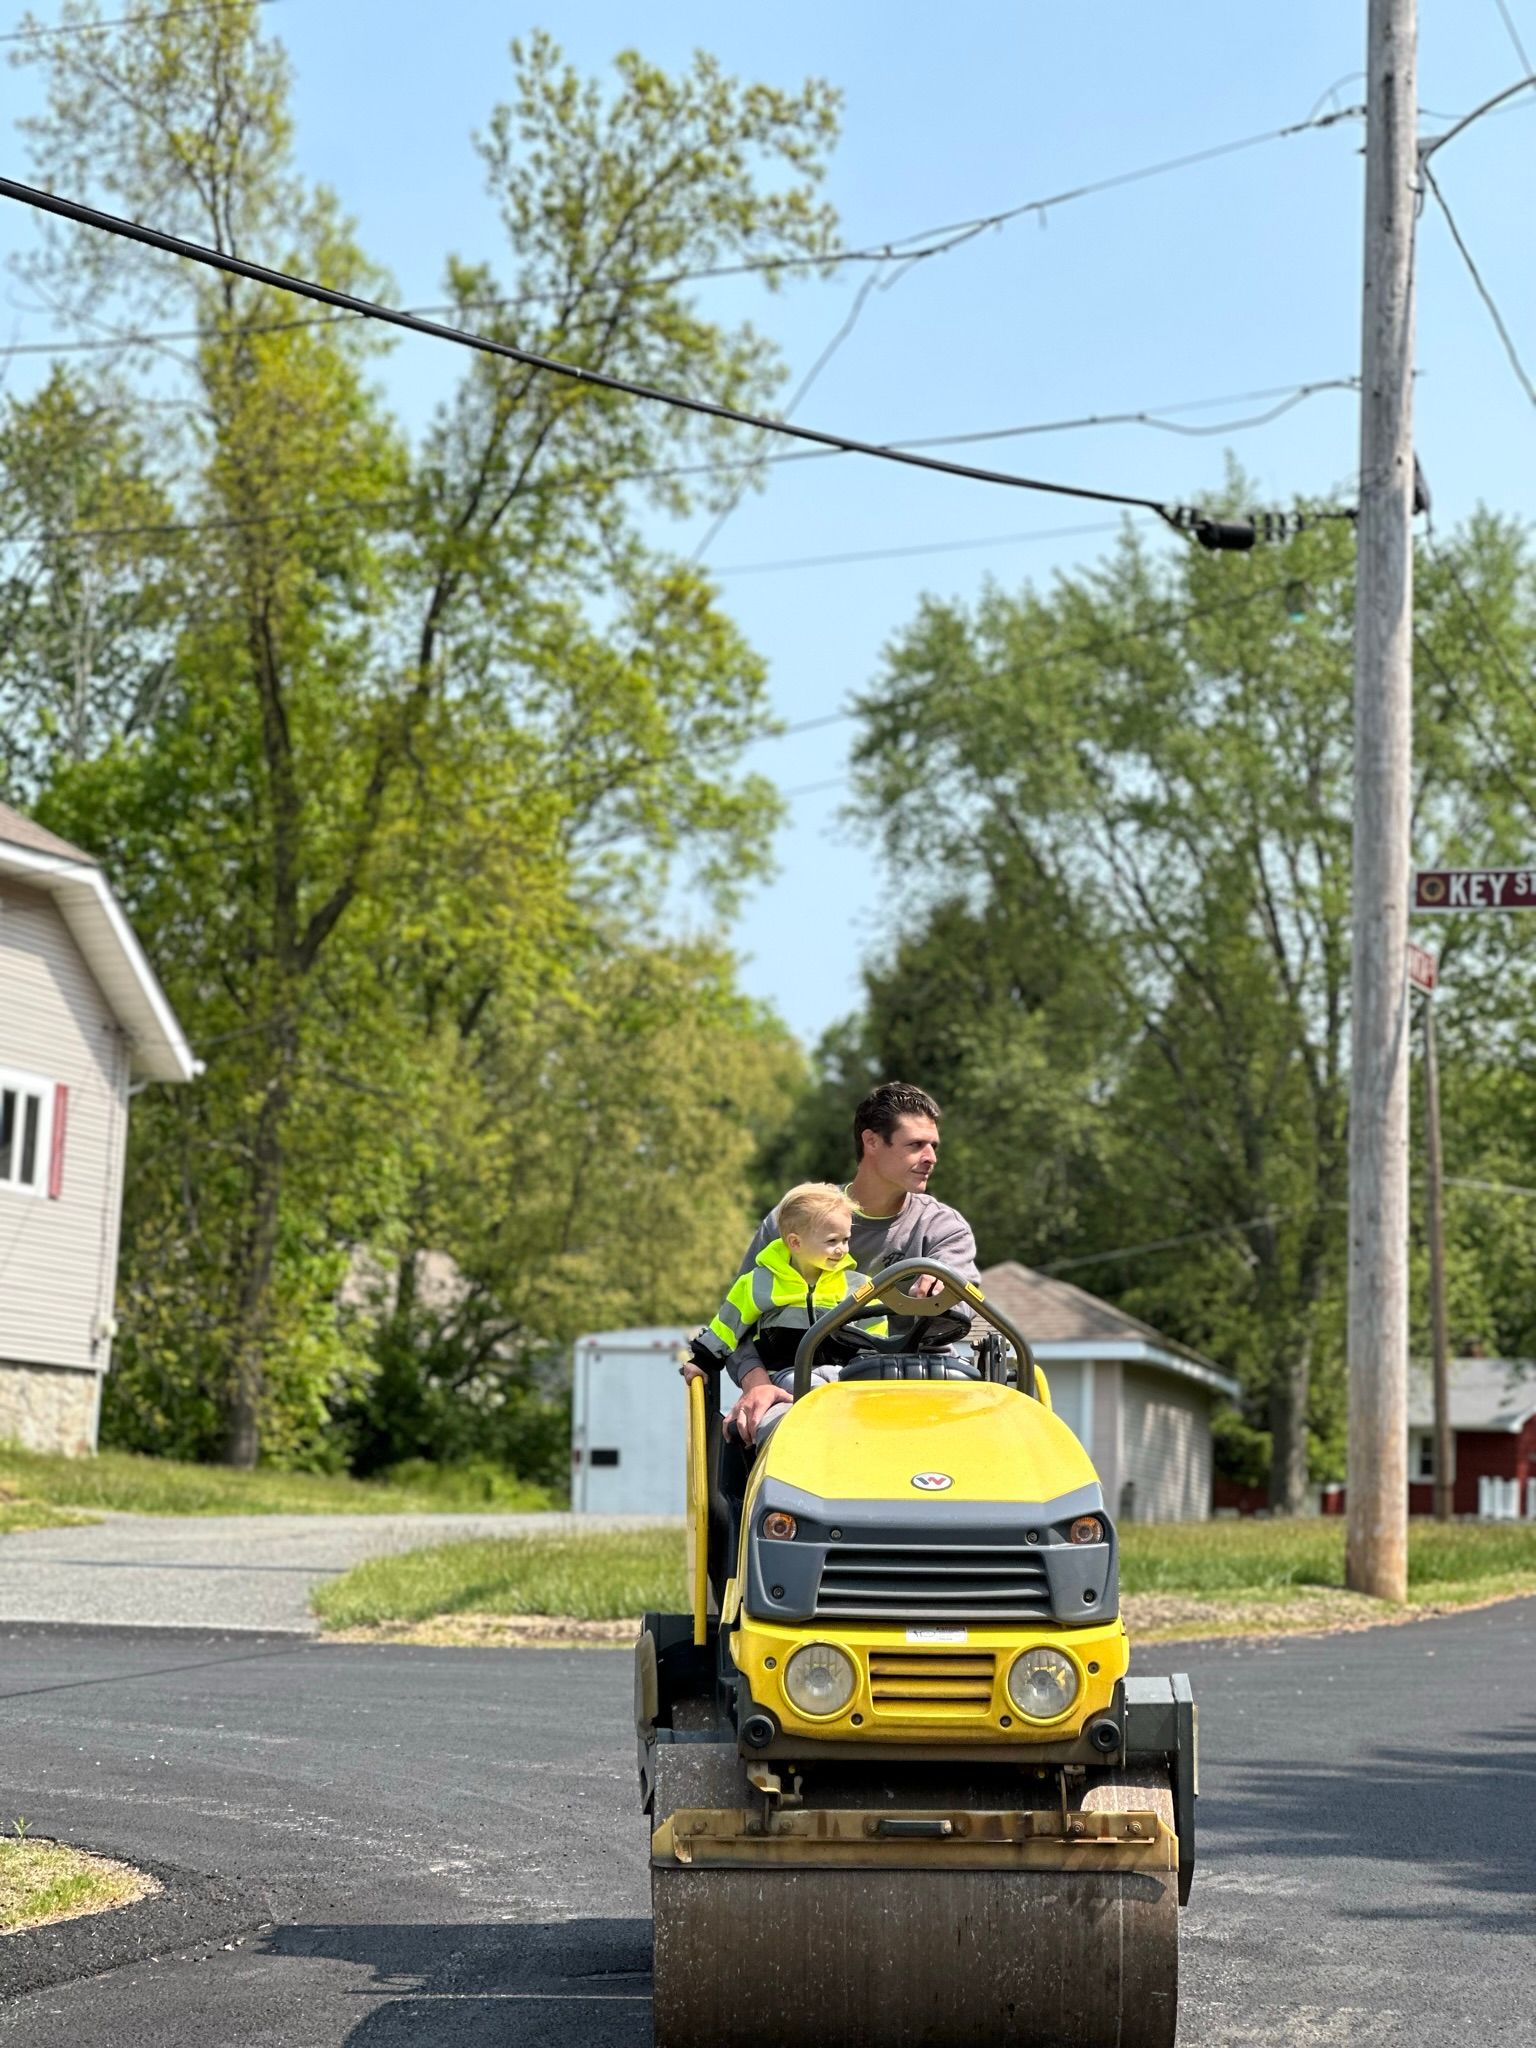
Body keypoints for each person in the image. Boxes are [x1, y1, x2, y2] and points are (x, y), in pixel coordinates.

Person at [690, 1081, 979, 1445]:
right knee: (771, 1433)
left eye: (933, 1146)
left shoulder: (942, 1227)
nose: (931, 1157)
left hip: (919, 1385)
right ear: (871, 1141)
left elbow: (959, 1288)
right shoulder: (797, 1219)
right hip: (801, 1385)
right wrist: (757, 1384)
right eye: (915, 1145)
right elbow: (740, 1318)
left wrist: (942, 1288)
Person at [691, 1182, 888, 1436]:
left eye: (846, 1239)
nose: (843, 1249)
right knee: (814, 1393)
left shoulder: (856, 1286)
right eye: (832, 1241)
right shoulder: (760, 1283)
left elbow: (875, 1329)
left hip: (843, 1371)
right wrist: (702, 1360)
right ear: (795, 1242)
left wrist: (872, 1361)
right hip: (788, 1373)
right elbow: (727, 1325)